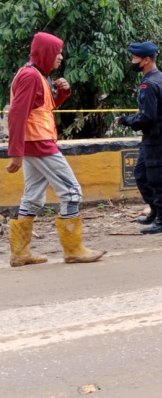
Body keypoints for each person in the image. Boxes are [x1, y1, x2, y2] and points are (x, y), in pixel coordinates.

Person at [5, 32, 105, 266]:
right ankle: (73, 249)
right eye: (57, 53)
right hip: (39, 142)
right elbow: (17, 114)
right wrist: (15, 152)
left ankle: (20, 253)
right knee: (71, 191)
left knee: (32, 196)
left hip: (35, 141)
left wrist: (63, 93)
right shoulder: (31, 76)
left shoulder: (35, 74)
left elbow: (42, 108)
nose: (60, 57)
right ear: (46, 53)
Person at [116, 41, 162, 234]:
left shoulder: (148, 84)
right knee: (141, 174)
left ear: (146, 60)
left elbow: (147, 117)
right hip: (159, 134)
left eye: (135, 58)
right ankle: (155, 211)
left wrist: (126, 120)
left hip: (157, 135)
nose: (132, 61)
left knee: (157, 177)